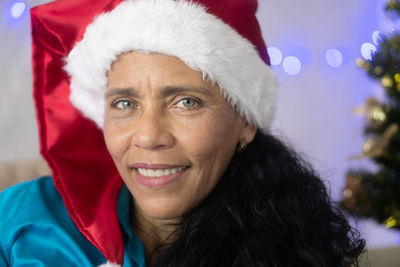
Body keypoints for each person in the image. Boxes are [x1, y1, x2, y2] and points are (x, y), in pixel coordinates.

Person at [0, 0, 365, 266]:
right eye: (125, 104)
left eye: (186, 102)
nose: (148, 137)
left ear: (245, 123)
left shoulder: (293, 248)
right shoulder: (20, 218)